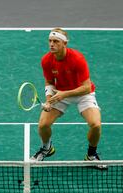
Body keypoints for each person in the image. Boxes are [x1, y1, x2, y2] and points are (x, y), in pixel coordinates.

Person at [30, 28, 105, 166]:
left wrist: (63, 94)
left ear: (64, 43)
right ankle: (46, 148)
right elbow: (49, 82)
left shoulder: (77, 58)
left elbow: (87, 87)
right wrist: (48, 99)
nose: (51, 44)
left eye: (56, 41)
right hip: (60, 93)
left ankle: (91, 155)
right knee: (43, 125)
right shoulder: (46, 60)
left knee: (95, 125)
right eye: (50, 41)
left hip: (82, 94)